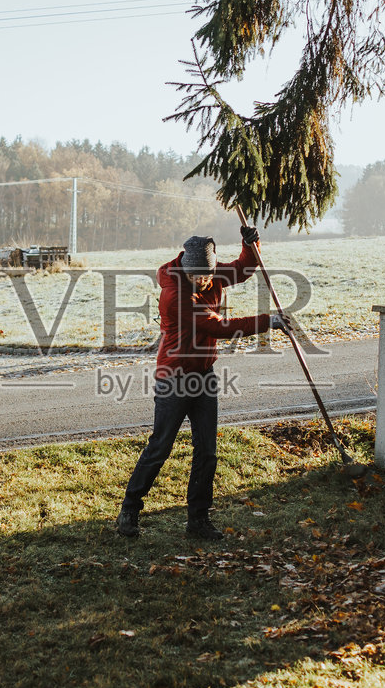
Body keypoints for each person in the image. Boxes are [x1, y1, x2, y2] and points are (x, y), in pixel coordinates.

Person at [116, 225, 288, 539]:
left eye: (209, 275)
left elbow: (242, 269)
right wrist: (268, 322)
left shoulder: (207, 270)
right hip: (175, 378)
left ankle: (198, 521)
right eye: (201, 278)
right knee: (160, 447)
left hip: (204, 374)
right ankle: (130, 508)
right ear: (187, 269)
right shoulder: (174, 294)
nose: (206, 281)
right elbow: (218, 326)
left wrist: (250, 245)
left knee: (207, 451)